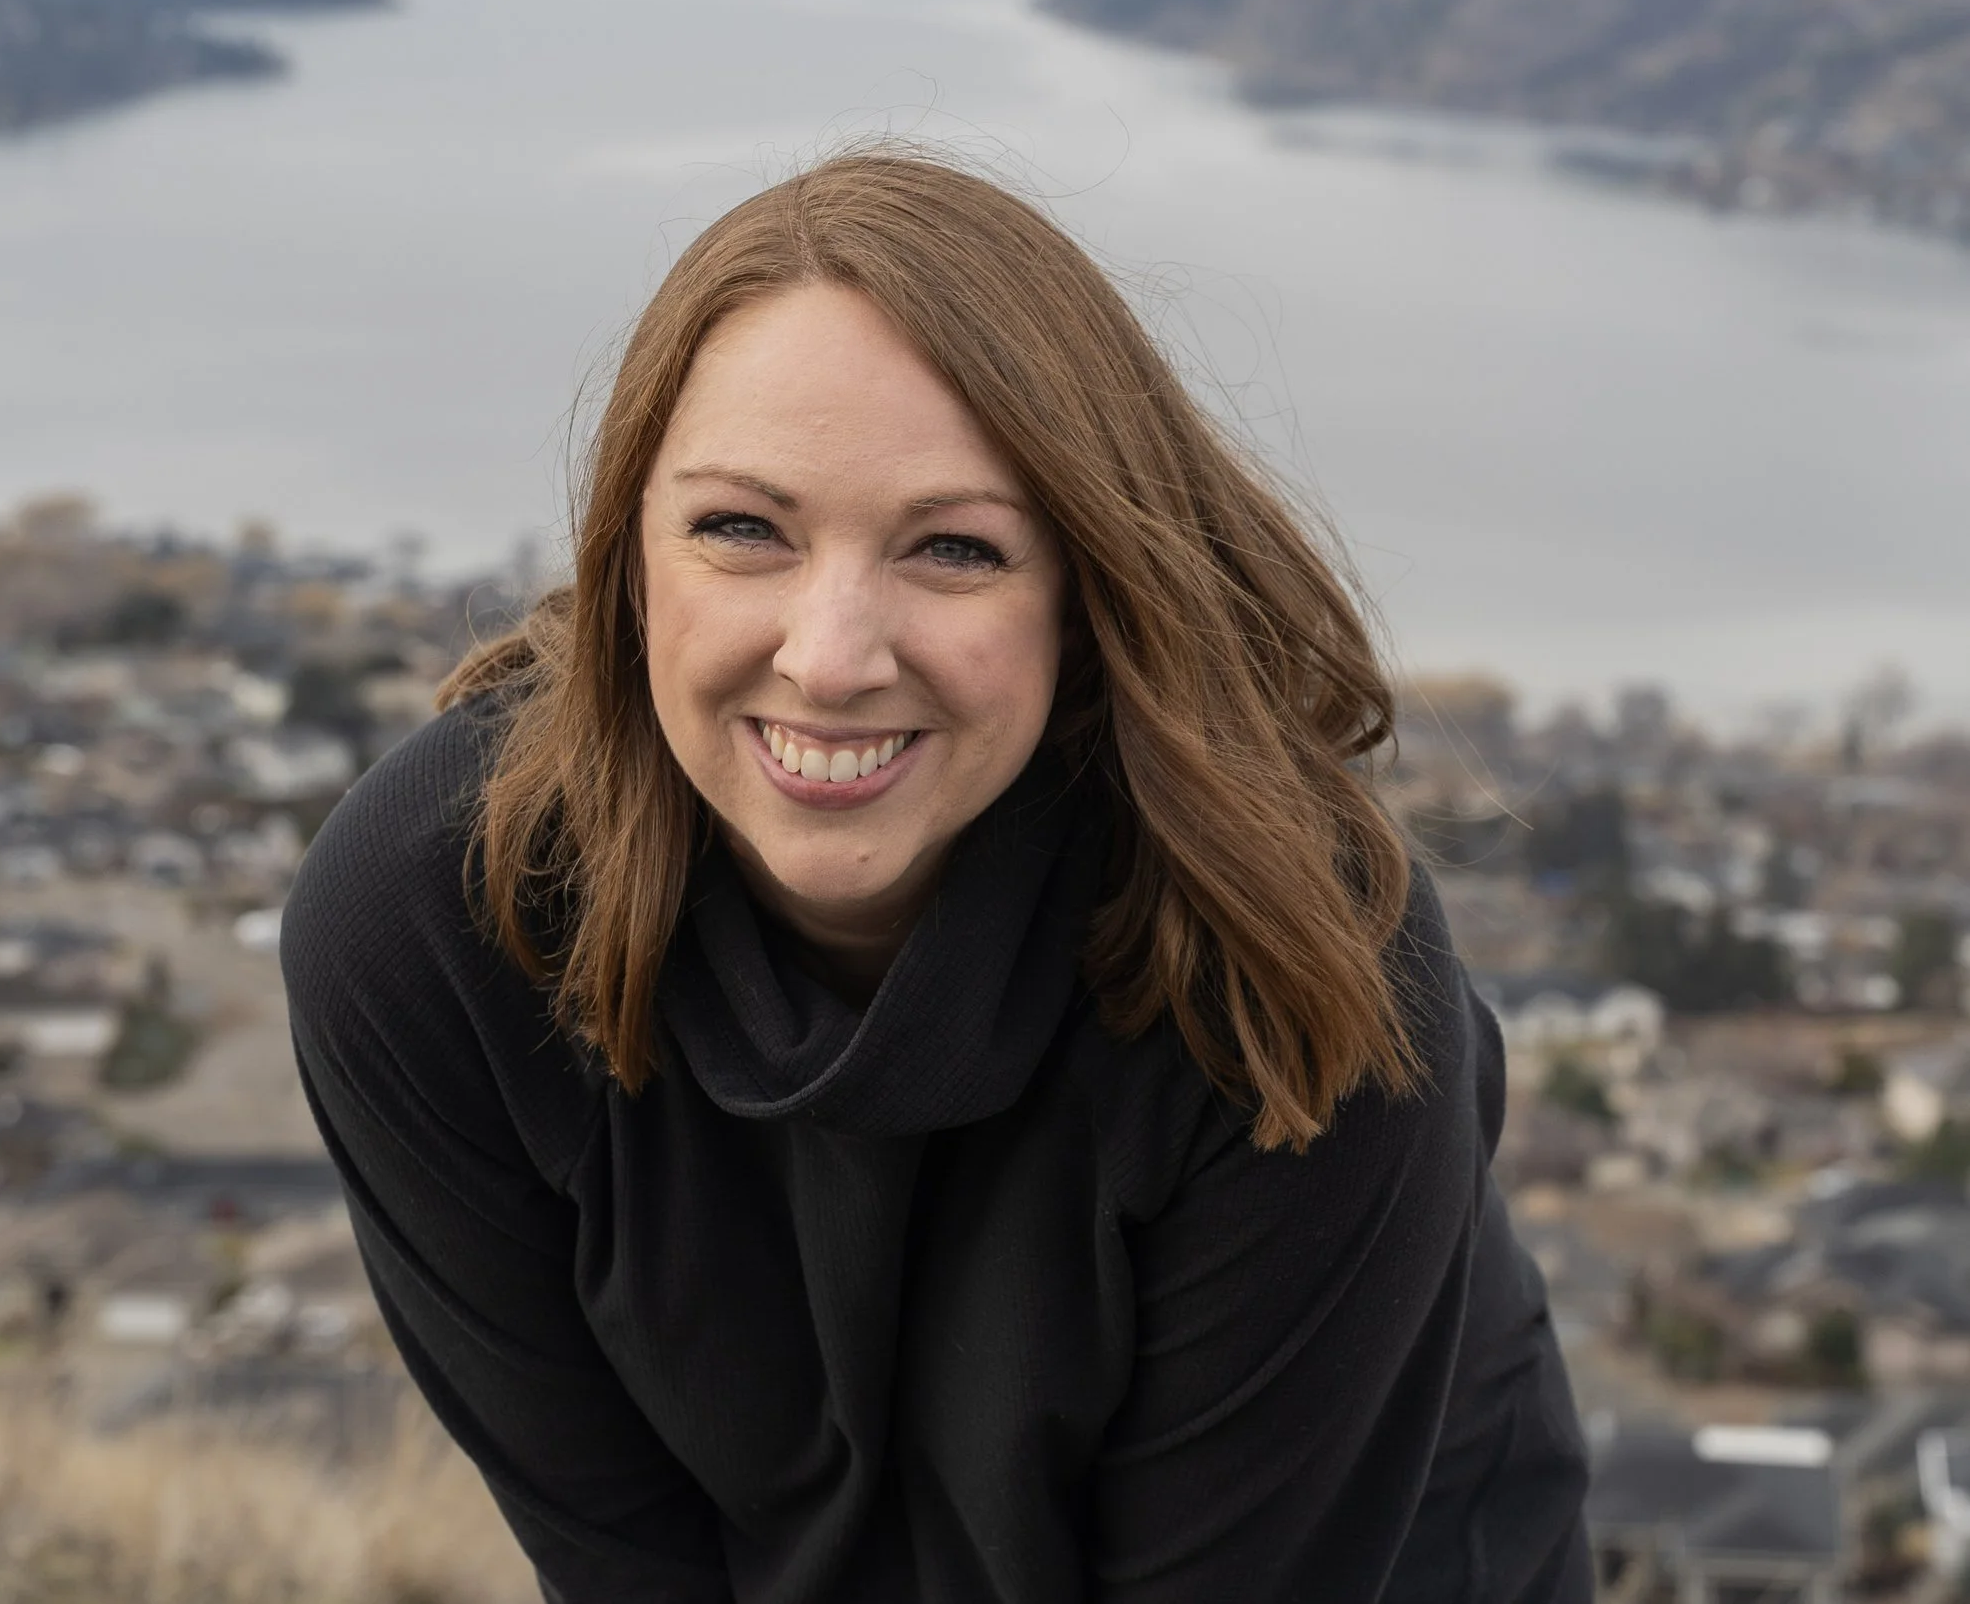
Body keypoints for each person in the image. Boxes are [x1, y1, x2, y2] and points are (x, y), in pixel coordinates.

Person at [283, 152, 1590, 1603]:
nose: (831, 657)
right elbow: (625, 1562)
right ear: (628, 560)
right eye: (741, 529)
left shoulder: (1290, 972)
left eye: (956, 548)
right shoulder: (431, 923)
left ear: (1086, 595)